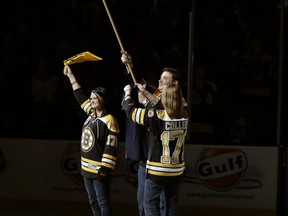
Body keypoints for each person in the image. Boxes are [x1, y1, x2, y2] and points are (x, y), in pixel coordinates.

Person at [121, 51, 184, 216]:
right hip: (169, 167)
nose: (159, 81)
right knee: (159, 206)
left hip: (156, 166)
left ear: (174, 83)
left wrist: (128, 96)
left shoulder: (159, 112)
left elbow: (138, 110)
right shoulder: (183, 107)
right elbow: (142, 87)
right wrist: (129, 67)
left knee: (153, 206)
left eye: (164, 78)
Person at [63, 65, 120, 216]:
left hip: (99, 170)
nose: (92, 100)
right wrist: (71, 76)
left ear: (103, 100)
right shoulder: (92, 113)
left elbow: (111, 147)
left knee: (102, 202)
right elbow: (80, 96)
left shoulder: (109, 120)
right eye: (92, 98)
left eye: (95, 98)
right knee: (93, 202)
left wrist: (105, 169)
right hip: (86, 169)